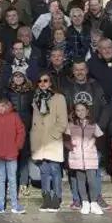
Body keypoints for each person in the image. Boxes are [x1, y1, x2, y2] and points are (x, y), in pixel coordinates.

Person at [30, 72, 68, 212]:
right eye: (40, 81)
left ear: (50, 82)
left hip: (52, 139)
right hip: (40, 139)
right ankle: (46, 197)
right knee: (44, 170)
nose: (42, 83)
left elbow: (62, 121)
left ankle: (57, 197)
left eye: (45, 80)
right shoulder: (36, 98)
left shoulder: (59, 98)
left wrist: (53, 134)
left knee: (55, 170)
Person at [0, 98, 27, 214]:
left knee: (12, 179)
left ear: (8, 106)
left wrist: (17, 146)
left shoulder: (14, 116)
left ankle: (15, 204)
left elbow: (21, 131)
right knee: (1, 179)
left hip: (12, 152)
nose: (1, 108)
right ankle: (0, 204)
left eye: (4, 106)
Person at [65, 102, 105, 215]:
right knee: (81, 181)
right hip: (77, 157)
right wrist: (71, 147)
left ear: (87, 111)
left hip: (90, 157)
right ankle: (85, 202)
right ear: (75, 112)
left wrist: (94, 145)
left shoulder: (93, 125)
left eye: (83, 110)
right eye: (78, 110)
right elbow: (66, 139)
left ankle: (94, 202)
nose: (80, 112)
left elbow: (101, 137)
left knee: (92, 181)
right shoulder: (71, 125)